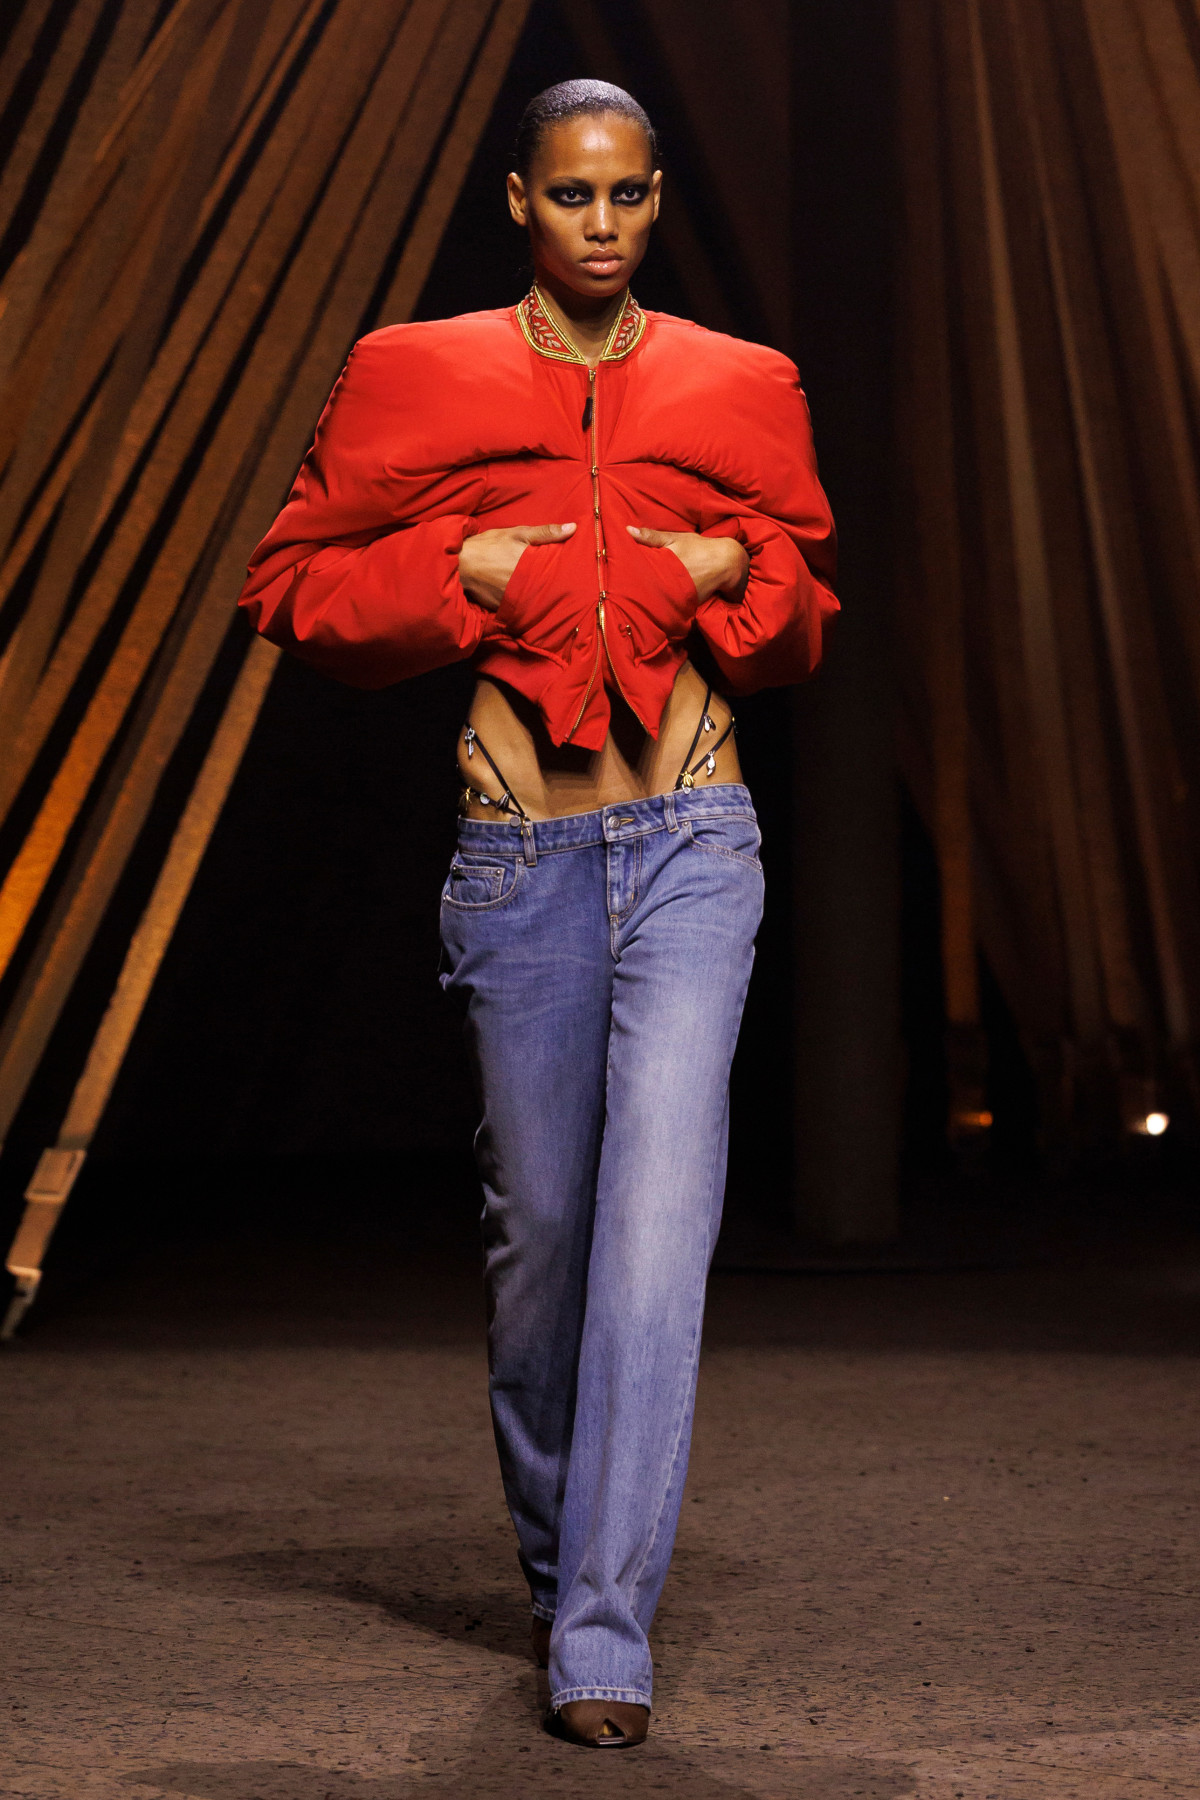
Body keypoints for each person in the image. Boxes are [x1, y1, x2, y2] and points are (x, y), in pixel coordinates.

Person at [238, 78, 837, 1749]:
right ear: (520, 199)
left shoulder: (742, 381)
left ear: (656, 197)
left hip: (695, 841)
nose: (602, 222)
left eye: (629, 194)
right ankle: (563, 1560)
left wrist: (734, 572)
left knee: (657, 1233)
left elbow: (804, 615)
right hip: (519, 858)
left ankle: (601, 1632)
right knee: (545, 1248)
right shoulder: (411, 371)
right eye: (572, 193)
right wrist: (464, 575)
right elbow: (289, 586)